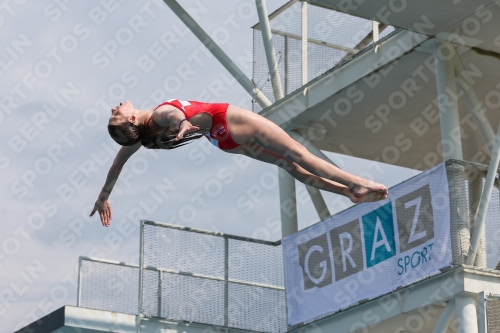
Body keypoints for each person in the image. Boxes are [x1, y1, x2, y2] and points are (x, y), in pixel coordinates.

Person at [90, 100, 388, 227]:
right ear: (131, 119)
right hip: (228, 120)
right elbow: (173, 115)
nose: (114, 107)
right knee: (299, 154)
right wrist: (182, 123)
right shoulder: (157, 116)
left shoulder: (142, 138)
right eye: (115, 114)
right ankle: (356, 183)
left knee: (290, 166)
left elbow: (119, 163)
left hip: (223, 141)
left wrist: (104, 195)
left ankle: (347, 193)